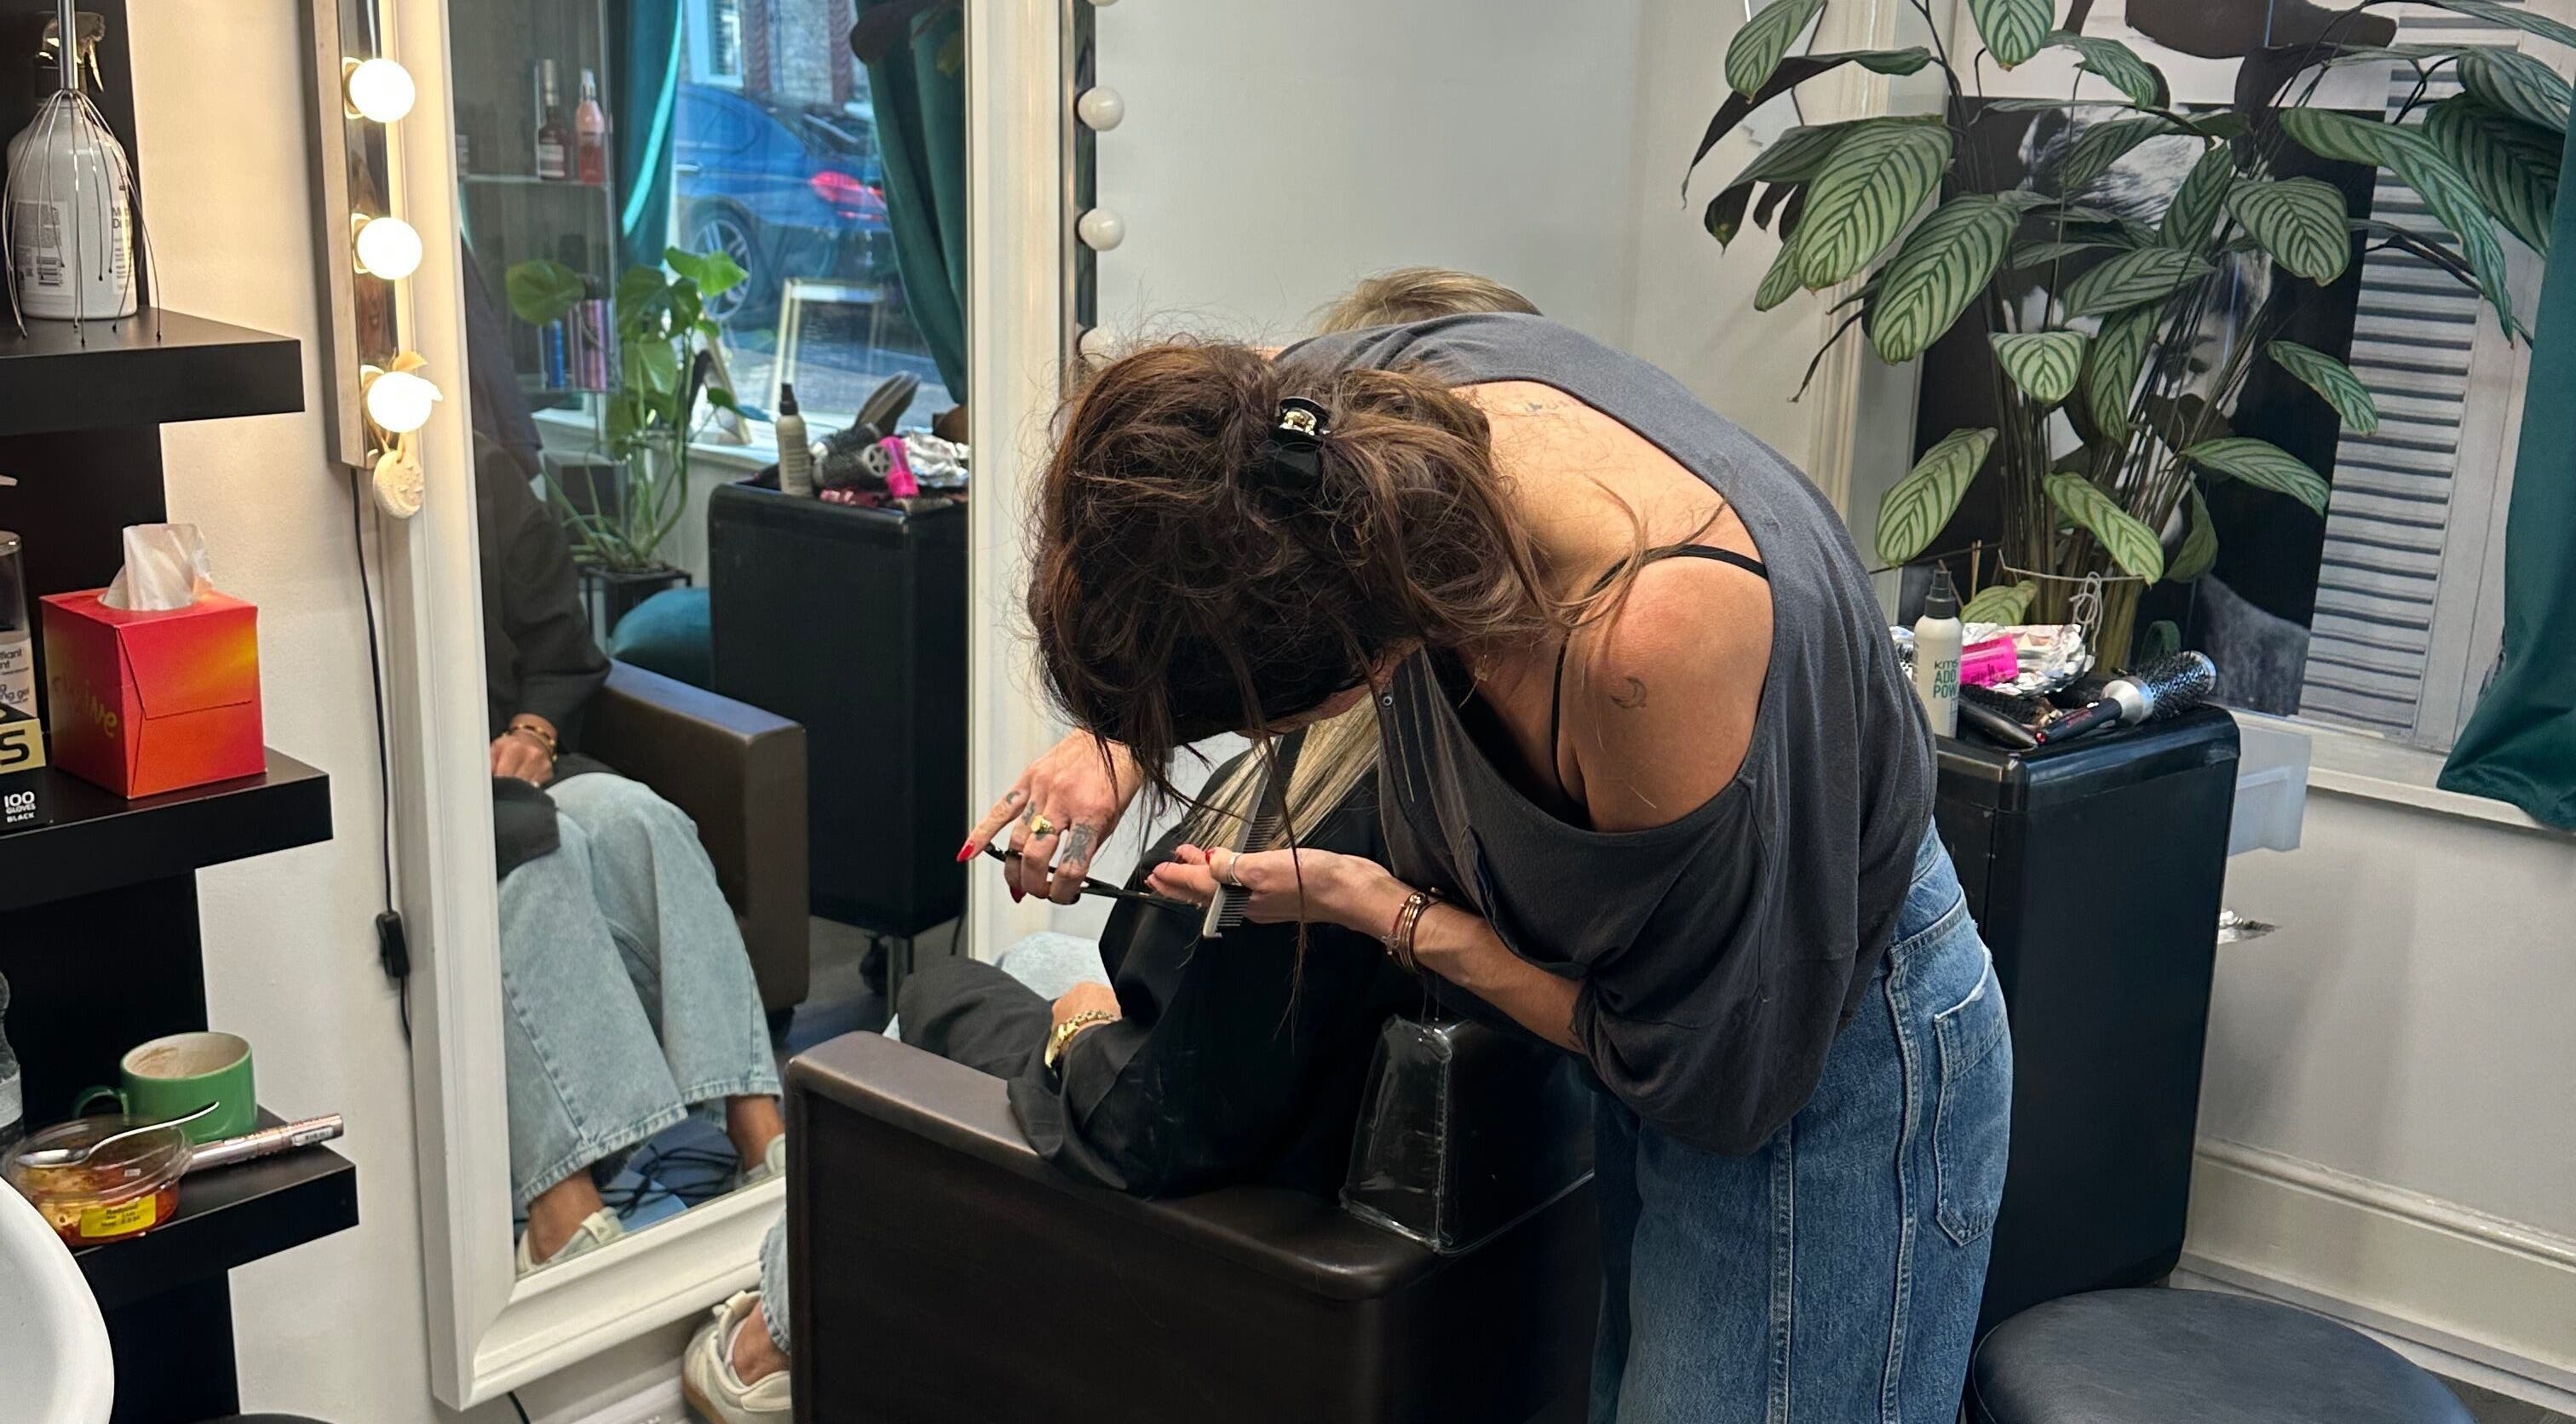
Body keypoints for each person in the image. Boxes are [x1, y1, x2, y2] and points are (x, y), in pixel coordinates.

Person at [981, 312, 2012, 1421]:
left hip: (1821, 1042)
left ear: (1366, 667)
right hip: (1680, 997)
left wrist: (1381, 908)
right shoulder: (1318, 437)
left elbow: (1698, 1073)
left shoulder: (1642, 642)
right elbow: (1197, 517)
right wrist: (1116, 739)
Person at [681, 270, 1537, 1424]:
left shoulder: (1325, 831)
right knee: (1037, 960)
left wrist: (1088, 1018)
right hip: (1270, 1089)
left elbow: (1152, 1130)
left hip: (1198, 1165)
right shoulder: (1477, 716)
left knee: (937, 1000)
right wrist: (1131, 742)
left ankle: (793, 1323)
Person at [477, 437, 787, 1274]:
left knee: (641, 822)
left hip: (521, 761)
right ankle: (561, 1209)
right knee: (542, 849)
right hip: (425, 800)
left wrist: (533, 732)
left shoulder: (481, 469)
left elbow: (560, 646)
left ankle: (761, 1138)